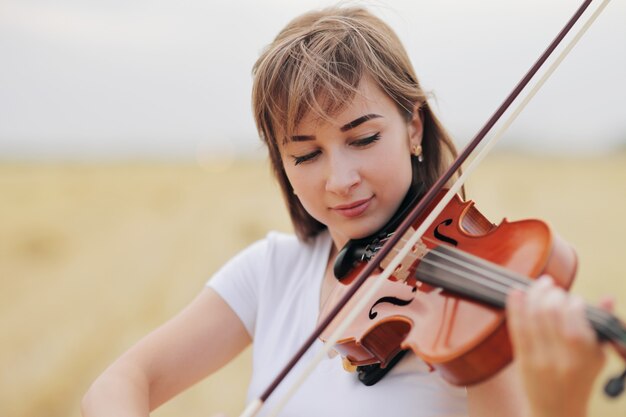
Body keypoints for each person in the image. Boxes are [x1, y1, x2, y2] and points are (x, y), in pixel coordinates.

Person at [81, 6, 609, 417]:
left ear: (413, 127)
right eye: (306, 154)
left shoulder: (472, 329)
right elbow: (122, 382)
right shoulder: (270, 273)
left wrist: (561, 404)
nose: (339, 180)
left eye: (363, 138)